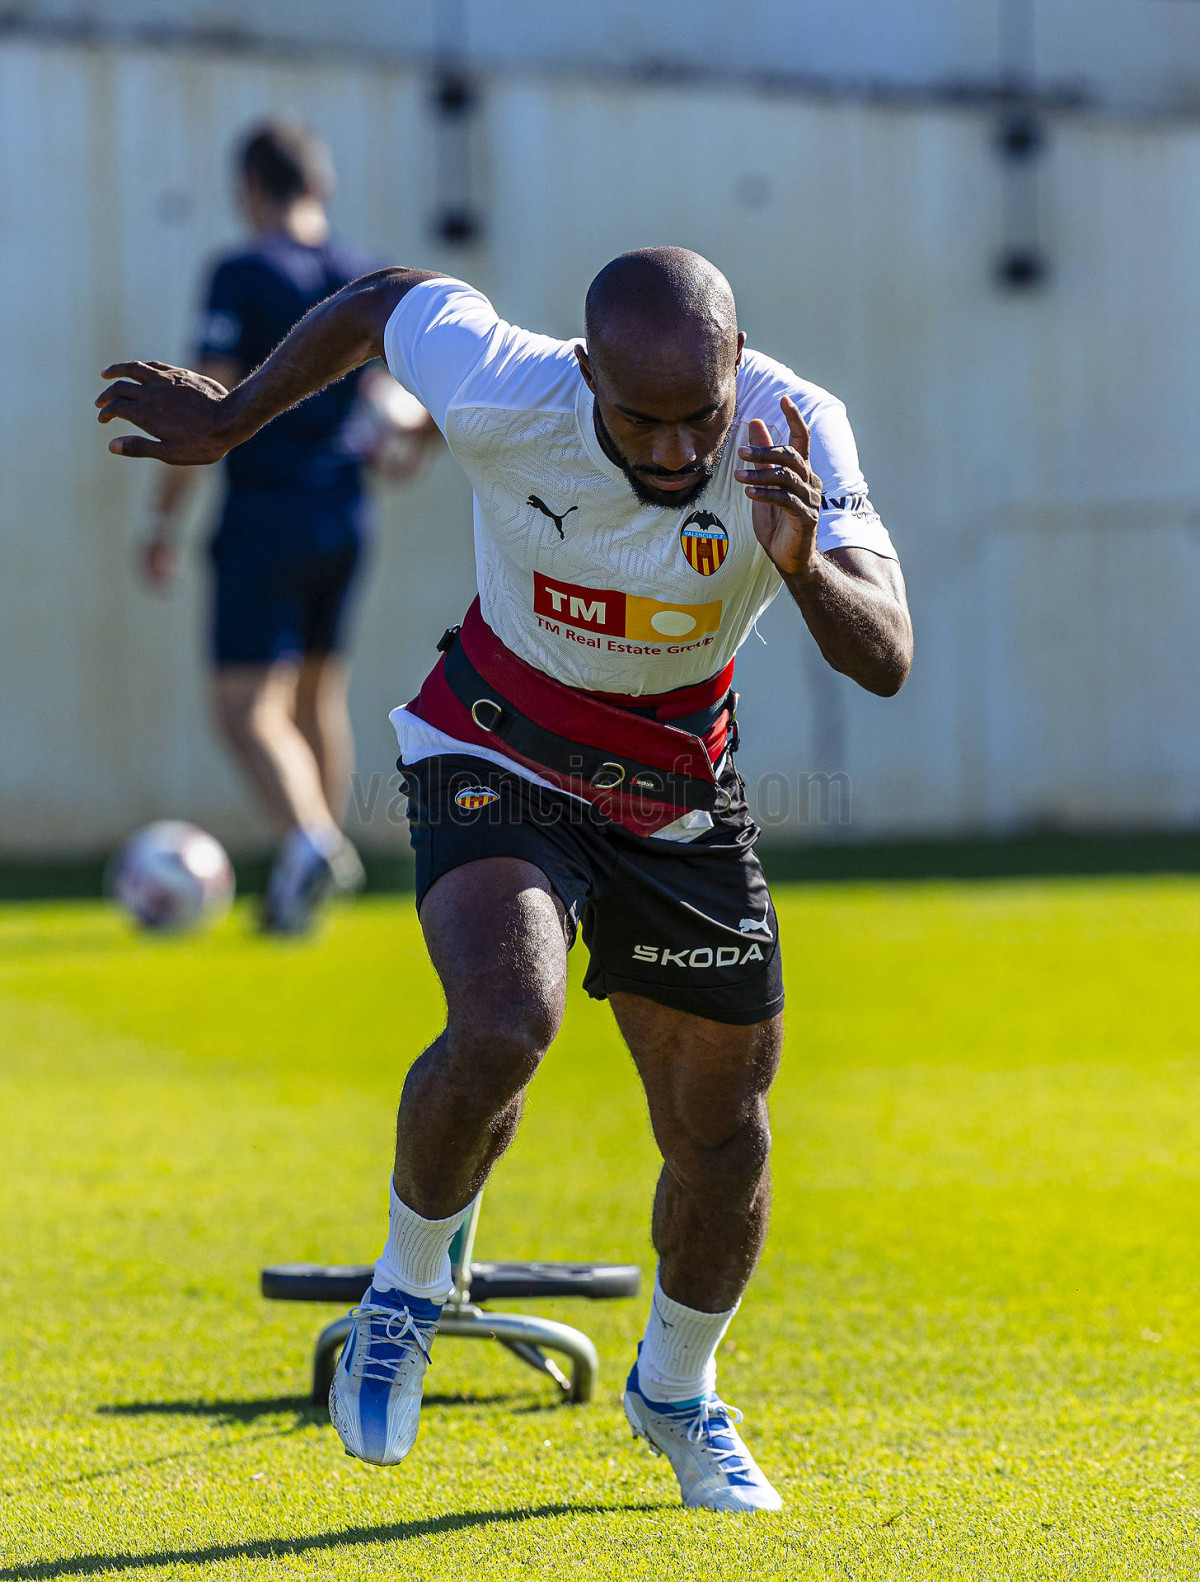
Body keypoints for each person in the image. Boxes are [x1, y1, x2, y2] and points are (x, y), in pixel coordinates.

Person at [97, 246, 913, 1512]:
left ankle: (676, 1390)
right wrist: (235, 416)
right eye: (639, 420)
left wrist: (805, 566)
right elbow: (381, 303)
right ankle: (405, 1292)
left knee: (721, 1130)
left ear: (738, 369)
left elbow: (889, 655)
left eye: (699, 415)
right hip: (496, 739)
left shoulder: (794, 431)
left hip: (675, 783)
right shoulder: (504, 383)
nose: (674, 451)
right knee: (503, 1018)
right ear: (585, 376)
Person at [142, 119, 440, 932]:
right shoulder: (362, 277)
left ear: (247, 186)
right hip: (344, 515)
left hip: (264, 512)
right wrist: (413, 443)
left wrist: (162, 520)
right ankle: (308, 883)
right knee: (316, 694)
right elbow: (404, 398)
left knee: (243, 707)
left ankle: (311, 845)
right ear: (321, 182)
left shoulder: (241, 271)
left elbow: (205, 403)